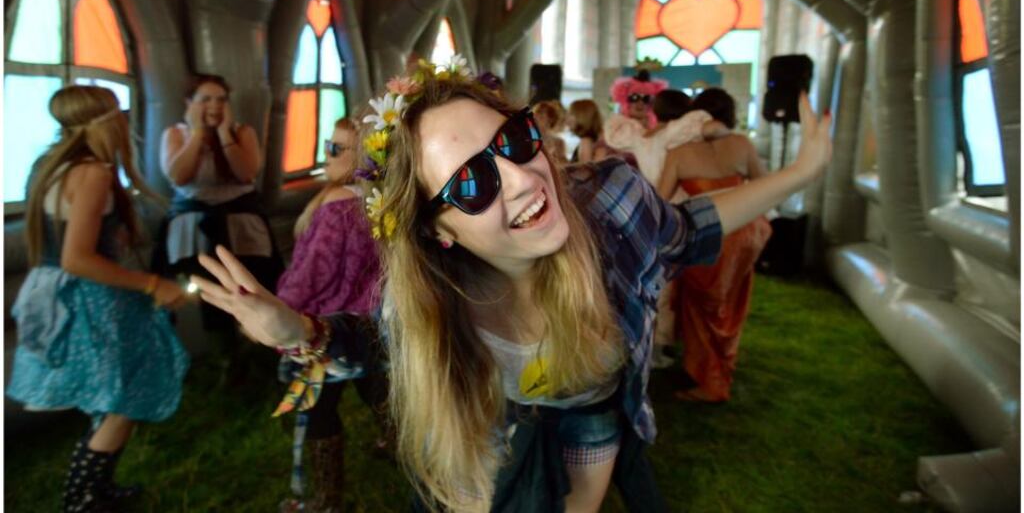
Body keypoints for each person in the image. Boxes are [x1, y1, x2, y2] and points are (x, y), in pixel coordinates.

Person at [191, 56, 831, 512]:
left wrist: (801, 172)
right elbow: (369, 346)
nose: (525, 179)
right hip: (492, 426)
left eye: (516, 140)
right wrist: (295, 331)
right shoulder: (432, 302)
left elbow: (688, 229)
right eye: (470, 183)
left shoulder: (608, 208)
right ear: (439, 229)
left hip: (592, 409)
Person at [7, 85, 190, 512]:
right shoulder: (92, 173)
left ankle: (96, 486)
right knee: (123, 397)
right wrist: (151, 284)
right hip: (96, 300)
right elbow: (77, 258)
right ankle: (83, 498)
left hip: (60, 293)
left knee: (108, 395)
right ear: (108, 123)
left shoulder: (48, 165)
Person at [275, 118, 389, 513]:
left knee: (319, 412)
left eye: (338, 148)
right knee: (377, 391)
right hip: (370, 324)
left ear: (364, 157)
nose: (328, 154)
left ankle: (327, 499)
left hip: (326, 330)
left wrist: (276, 313)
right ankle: (398, 447)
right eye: (329, 144)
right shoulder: (382, 204)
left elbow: (311, 273)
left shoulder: (334, 204)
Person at [155, 74, 283, 367]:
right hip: (195, 225)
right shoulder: (175, 134)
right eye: (205, 99)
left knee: (256, 284)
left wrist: (225, 134)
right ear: (190, 103)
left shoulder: (243, 132)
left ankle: (266, 350)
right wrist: (198, 132)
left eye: (221, 99)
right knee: (209, 291)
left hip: (243, 223)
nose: (215, 105)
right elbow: (178, 175)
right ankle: (226, 359)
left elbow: (247, 172)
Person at [657, 87, 772, 403]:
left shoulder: (679, 153)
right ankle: (715, 371)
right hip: (743, 233)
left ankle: (709, 381)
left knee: (700, 307)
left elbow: (659, 200)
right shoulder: (741, 144)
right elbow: (764, 186)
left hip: (705, 234)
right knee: (729, 306)